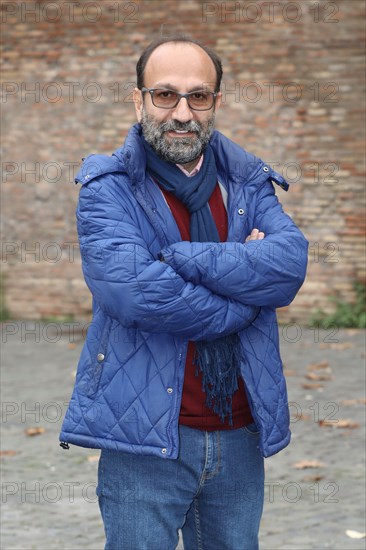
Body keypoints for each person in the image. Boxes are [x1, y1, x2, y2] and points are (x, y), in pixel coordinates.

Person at [60, 35, 308, 550]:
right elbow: (134, 293)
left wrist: (182, 258)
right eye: (165, 95)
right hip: (143, 441)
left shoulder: (248, 182)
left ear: (216, 102)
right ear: (139, 100)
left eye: (198, 95)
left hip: (240, 432)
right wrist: (244, 291)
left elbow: (286, 269)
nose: (182, 112)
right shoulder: (109, 188)